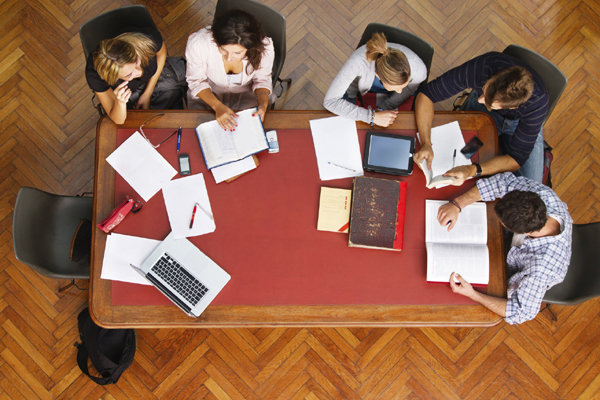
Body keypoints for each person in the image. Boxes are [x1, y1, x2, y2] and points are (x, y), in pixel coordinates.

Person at [437, 172, 572, 324]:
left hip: (518, 274)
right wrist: (457, 204)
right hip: (514, 250)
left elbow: (520, 312)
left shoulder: (540, 270)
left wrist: (472, 294)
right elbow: (503, 182)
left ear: (523, 232)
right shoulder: (542, 195)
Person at [414, 52, 549, 183]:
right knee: (462, 154)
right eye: (484, 90)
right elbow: (427, 95)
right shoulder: (484, 66)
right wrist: (426, 142)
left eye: (489, 102)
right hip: (484, 116)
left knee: (532, 184)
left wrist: (472, 170)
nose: (479, 100)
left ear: (512, 107)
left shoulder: (538, 104)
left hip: (520, 123)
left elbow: (516, 159)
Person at [185, 9, 275, 131]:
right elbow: (196, 81)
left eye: (238, 53)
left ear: (250, 48)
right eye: (223, 50)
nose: (229, 58)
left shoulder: (265, 48)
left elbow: (262, 80)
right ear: (216, 41)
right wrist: (217, 106)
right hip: (209, 94)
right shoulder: (199, 44)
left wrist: (263, 105)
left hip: (248, 96)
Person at [323, 32, 427, 127]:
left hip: (387, 99)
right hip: (358, 89)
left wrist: (383, 107)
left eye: (403, 86)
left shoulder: (419, 71)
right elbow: (330, 102)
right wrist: (372, 117)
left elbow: (408, 90)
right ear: (378, 76)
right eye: (396, 88)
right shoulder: (358, 62)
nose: (400, 92)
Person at [85, 27, 168, 125]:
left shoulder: (146, 38)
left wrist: (147, 93)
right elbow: (118, 120)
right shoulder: (95, 75)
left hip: (157, 78)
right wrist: (119, 102)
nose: (138, 72)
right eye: (129, 74)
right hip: (126, 96)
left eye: (136, 61)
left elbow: (161, 54)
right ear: (113, 78)